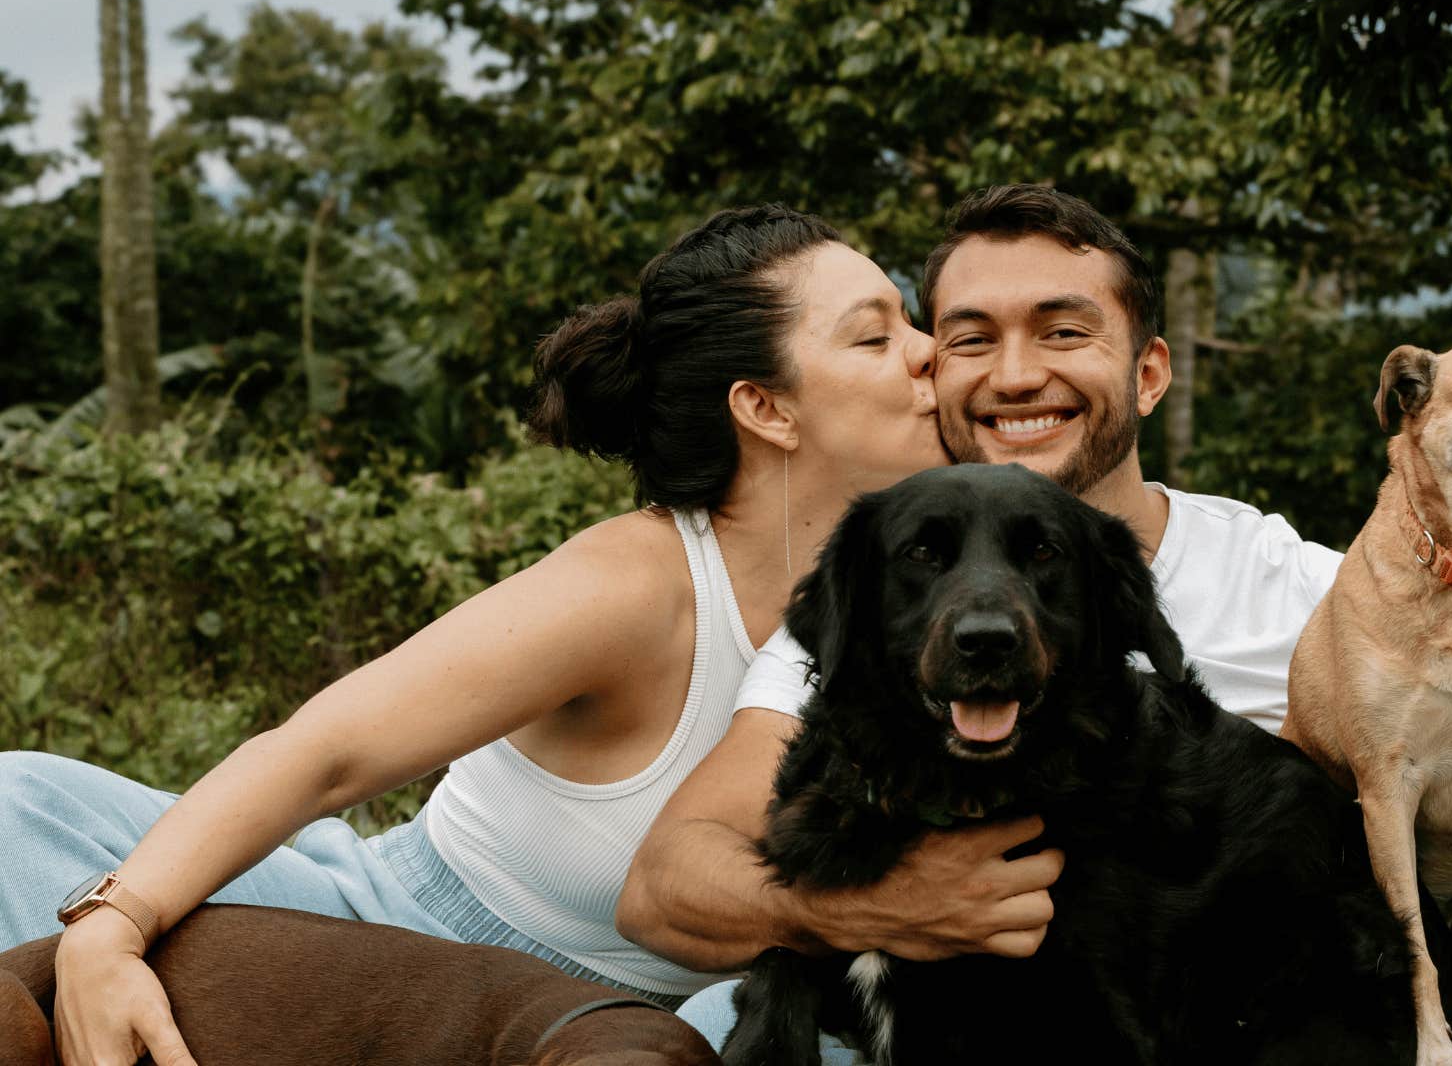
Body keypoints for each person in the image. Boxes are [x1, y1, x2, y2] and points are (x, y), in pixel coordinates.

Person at [625, 185, 1452, 1064]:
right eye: (971, 339)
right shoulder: (893, 610)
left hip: (1276, 1022)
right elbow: (669, 886)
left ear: (1149, 371)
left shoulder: (1334, 595)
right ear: (935, 372)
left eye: (1065, 331)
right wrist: (875, 907)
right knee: (729, 1016)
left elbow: (1398, 925)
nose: (1018, 373)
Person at [0, 205, 948, 1066]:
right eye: (877, 335)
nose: (930, 352)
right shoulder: (639, 581)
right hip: (380, 936)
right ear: (765, 408)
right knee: (20, 801)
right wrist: (110, 927)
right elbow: (327, 751)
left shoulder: (953, 606)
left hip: (629, 1032)